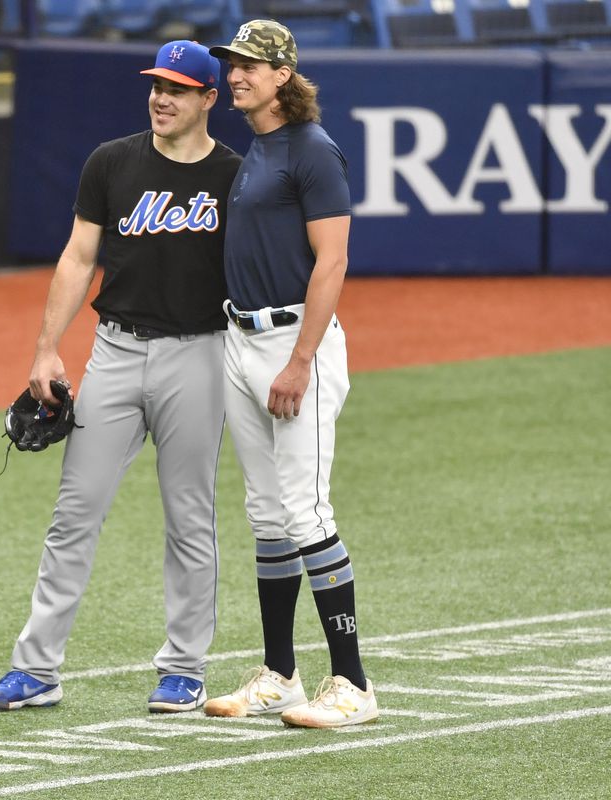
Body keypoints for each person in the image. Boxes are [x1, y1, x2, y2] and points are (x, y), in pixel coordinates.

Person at [0, 41, 242, 714]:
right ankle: (35, 670)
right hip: (115, 353)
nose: (162, 97)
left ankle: (183, 667)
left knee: (189, 517)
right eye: (156, 84)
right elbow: (78, 255)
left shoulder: (237, 176)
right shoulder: (112, 162)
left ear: (210, 99)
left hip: (199, 355)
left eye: (179, 88)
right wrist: (47, 349)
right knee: (74, 512)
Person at [201, 20, 378, 728]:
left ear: (282, 76)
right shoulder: (259, 148)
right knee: (267, 514)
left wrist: (301, 360)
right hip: (241, 342)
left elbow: (332, 262)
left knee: (307, 513)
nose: (236, 75)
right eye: (232, 65)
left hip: (292, 346)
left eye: (249, 66)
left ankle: (356, 685)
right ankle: (280, 673)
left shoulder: (312, 150)